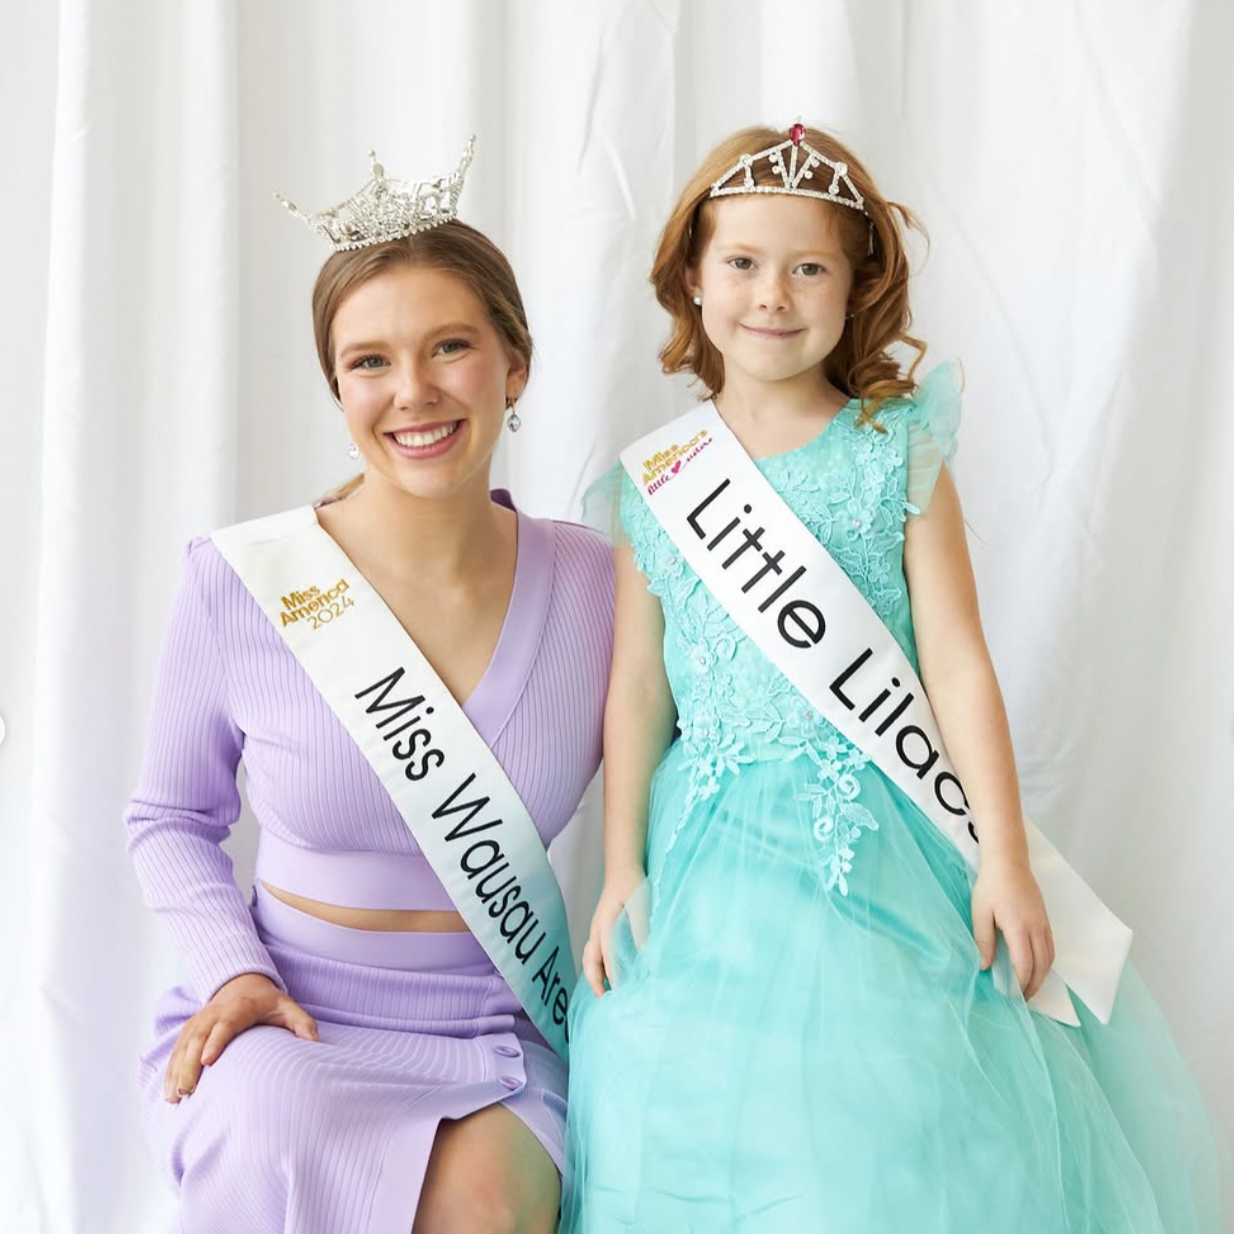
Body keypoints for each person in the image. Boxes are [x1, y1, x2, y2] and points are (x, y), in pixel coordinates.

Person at [561, 123, 1225, 1233]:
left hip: (879, 835)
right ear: (690, 273)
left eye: (807, 265)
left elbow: (957, 662)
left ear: (856, 282)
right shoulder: (660, 483)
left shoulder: (894, 447)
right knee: (685, 1097)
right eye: (741, 263)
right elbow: (637, 687)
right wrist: (620, 864)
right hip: (705, 858)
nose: (772, 294)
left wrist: (1004, 858)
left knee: (893, 1095)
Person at [125, 142, 613, 1234]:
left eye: (451, 347)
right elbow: (167, 817)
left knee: (486, 1211)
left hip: (493, 1029)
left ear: (515, 364)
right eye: (370, 362)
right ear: (337, 386)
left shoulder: (599, 586)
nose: (414, 393)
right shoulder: (240, 583)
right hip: (285, 1012)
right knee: (274, 1125)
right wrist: (231, 975)